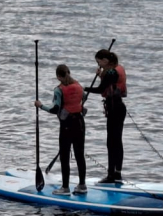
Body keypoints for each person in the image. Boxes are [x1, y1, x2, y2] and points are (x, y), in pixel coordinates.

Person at [34, 64, 87, 196]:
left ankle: (65, 188)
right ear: (69, 72)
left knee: (65, 156)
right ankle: (82, 185)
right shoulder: (79, 85)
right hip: (80, 122)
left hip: (67, 125)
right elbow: (84, 97)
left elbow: (55, 109)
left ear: (58, 77)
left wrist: (41, 106)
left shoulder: (59, 90)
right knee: (80, 155)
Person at [85, 49, 127, 183]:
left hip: (115, 109)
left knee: (111, 142)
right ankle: (117, 173)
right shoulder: (117, 69)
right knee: (117, 141)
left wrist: (83, 89)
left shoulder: (110, 72)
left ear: (105, 61)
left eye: (99, 62)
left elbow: (100, 89)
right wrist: (101, 76)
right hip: (118, 107)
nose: (99, 65)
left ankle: (111, 175)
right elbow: (109, 83)